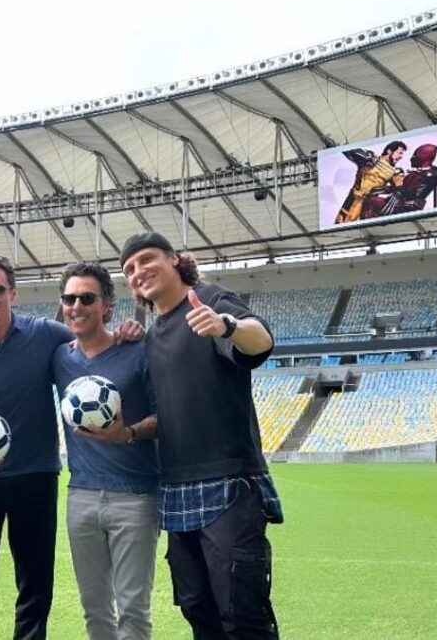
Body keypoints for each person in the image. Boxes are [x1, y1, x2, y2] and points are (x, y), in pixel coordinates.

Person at [0, 253, 142, 640]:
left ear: (12, 293)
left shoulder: (46, 335)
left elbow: (92, 338)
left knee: (35, 586)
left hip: (35, 479)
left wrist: (124, 329)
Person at [120, 233, 282, 640]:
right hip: (176, 488)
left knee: (242, 614)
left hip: (229, 484)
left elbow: (261, 341)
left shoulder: (209, 299)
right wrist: (128, 433)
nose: (139, 271)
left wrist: (225, 326)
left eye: (147, 259)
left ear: (174, 259)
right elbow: (164, 414)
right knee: (197, 608)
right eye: (130, 269)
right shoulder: (153, 336)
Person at [51, 261, 160, 640]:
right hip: (80, 495)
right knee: (94, 608)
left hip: (136, 496)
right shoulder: (60, 356)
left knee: (133, 608)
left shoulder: (140, 351)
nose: (76, 306)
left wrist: (127, 433)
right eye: (69, 298)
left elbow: (167, 415)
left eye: (86, 298)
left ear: (107, 305)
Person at [334, 140, 406, 223]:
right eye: (399, 153)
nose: (401, 156)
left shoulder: (395, 171)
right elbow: (349, 151)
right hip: (353, 199)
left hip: (368, 204)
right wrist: (366, 157)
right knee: (342, 222)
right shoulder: (371, 157)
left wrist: (395, 192)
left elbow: (400, 188)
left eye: (402, 154)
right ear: (389, 151)